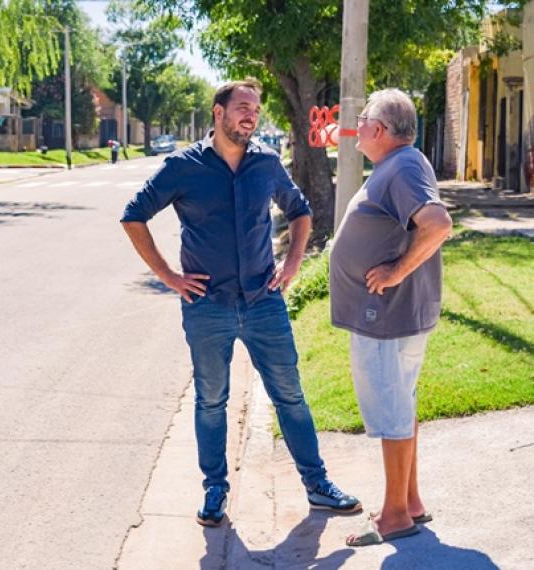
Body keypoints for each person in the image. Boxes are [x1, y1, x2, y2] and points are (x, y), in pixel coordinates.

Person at [120, 78, 361, 527]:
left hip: (262, 301)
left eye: (254, 109)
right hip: (207, 305)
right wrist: (168, 276)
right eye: (242, 107)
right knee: (212, 399)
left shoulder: (266, 164)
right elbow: (133, 215)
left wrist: (290, 265)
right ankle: (215, 491)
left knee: (290, 394)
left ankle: (317, 484)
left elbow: (300, 210)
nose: (250, 115)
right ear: (218, 112)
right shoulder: (182, 166)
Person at [329, 88, 453, 547]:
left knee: (394, 407)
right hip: (393, 314)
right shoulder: (401, 164)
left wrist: (397, 270)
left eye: (362, 120)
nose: (357, 126)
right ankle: (411, 500)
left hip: (385, 315)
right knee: (401, 402)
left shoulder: (400, 166)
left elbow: (438, 225)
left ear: (379, 130)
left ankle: (395, 514)